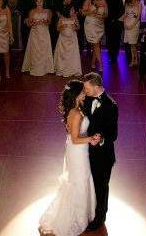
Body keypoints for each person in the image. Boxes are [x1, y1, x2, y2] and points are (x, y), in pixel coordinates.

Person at [38, 80, 99, 236]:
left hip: (78, 151)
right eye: (82, 92)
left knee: (80, 179)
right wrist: (91, 138)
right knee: (79, 180)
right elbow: (75, 139)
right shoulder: (77, 114)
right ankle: (76, 216)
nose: (85, 94)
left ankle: (80, 213)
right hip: (78, 152)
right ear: (77, 95)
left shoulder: (75, 109)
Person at [82, 72, 118, 232]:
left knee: (101, 186)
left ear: (96, 88)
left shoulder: (111, 105)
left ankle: (100, 217)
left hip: (103, 156)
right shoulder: (88, 98)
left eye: (87, 88)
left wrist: (101, 137)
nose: (84, 90)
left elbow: (114, 134)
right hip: (86, 151)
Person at [22, 0, 54, 76]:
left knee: (44, 50)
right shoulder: (32, 11)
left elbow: (49, 22)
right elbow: (29, 24)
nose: (39, 3)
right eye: (37, 1)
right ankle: (35, 68)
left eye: (41, 1)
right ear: (35, 2)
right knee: (35, 50)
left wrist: (44, 22)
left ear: (43, 2)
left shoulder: (48, 11)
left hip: (44, 33)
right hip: (35, 34)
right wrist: (33, 23)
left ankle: (45, 68)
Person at [55, 2, 83, 78]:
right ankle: (62, 69)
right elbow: (57, 28)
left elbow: (79, 27)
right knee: (63, 55)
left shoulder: (75, 17)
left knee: (72, 55)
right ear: (68, 10)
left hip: (72, 39)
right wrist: (62, 27)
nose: (73, 11)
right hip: (63, 40)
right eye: (72, 9)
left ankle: (73, 70)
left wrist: (75, 28)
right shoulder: (62, 18)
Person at [83, 0, 108, 72]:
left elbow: (106, 14)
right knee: (96, 43)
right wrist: (92, 13)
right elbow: (83, 12)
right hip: (91, 24)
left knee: (96, 44)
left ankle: (93, 63)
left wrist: (102, 16)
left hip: (100, 25)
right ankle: (101, 64)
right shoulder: (89, 0)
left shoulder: (103, 1)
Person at [122, 0, 143, 67]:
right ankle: (135, 60)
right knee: (131, 45)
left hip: (134, 25)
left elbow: (138, 17)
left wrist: (132, 25)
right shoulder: (127, 4)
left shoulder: (139, 4)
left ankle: (134, 60)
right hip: (127, 24)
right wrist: (124, 24)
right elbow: (125, 15)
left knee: (133, 44)